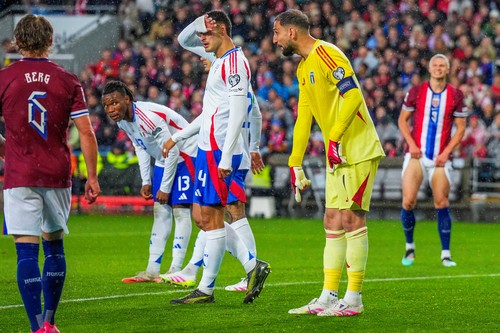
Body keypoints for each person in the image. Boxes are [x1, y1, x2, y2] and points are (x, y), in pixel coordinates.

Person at [272, 9, 384, 317]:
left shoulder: (327, 53)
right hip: (337, 153)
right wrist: (296, 163)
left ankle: (354, 299)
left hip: (357, 148)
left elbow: (353, 97)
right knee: (332, 221)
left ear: (292, 32)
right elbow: (303, 119)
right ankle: (328, 296)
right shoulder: (303, 67)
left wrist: (333, 138)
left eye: (277, 33)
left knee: (351, 220)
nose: (274, 40)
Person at [161, 10, 270, 304]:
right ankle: (251, 266)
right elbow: (184, 39)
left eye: (206, 33)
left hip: (221, 151)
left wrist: (225, 157)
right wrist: (179, 136)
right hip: (207, 149)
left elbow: (239, 112)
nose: (200, 40)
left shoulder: (235, 63)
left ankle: (210, 287)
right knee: (202, 217)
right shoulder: (220, 61)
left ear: (221, 29)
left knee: (212, 216)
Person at [0, 14, 100, 333]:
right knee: (54, 246)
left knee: (26, 251)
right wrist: (93, 177)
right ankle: (51, 322)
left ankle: (36, 328)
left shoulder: (4, 78)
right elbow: (86, 132)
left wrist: (5, 146)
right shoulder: (68, 80)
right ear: (51, 41)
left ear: (17, 42)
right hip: (56, 173)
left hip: (20, 174)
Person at [101, 80, 196, 283]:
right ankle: (152, 271)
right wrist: (146, 180)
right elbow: (140, 145)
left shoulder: (148, 117)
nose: (110, 109)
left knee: (180, 210)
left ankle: (175, 269)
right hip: (165, 158)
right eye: (107, 105)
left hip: (187, 154)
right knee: (160, 210)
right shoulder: (122, 120)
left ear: (127, 99)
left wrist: (164, 187)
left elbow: (174, 151)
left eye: (115, 103)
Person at [398, 54, 467, 268]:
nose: (438, 68)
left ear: (447, 70)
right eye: (435, 65)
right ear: (429, 68)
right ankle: (410, 247)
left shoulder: (456, 95)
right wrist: (412, 144)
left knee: (441, 202)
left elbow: (461, 128)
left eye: (442, 66)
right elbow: (402, 120)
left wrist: (446, 152)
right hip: (417, 155)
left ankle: (445, 253)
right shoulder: (417, 91)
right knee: (408, 201)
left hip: (440, 158)